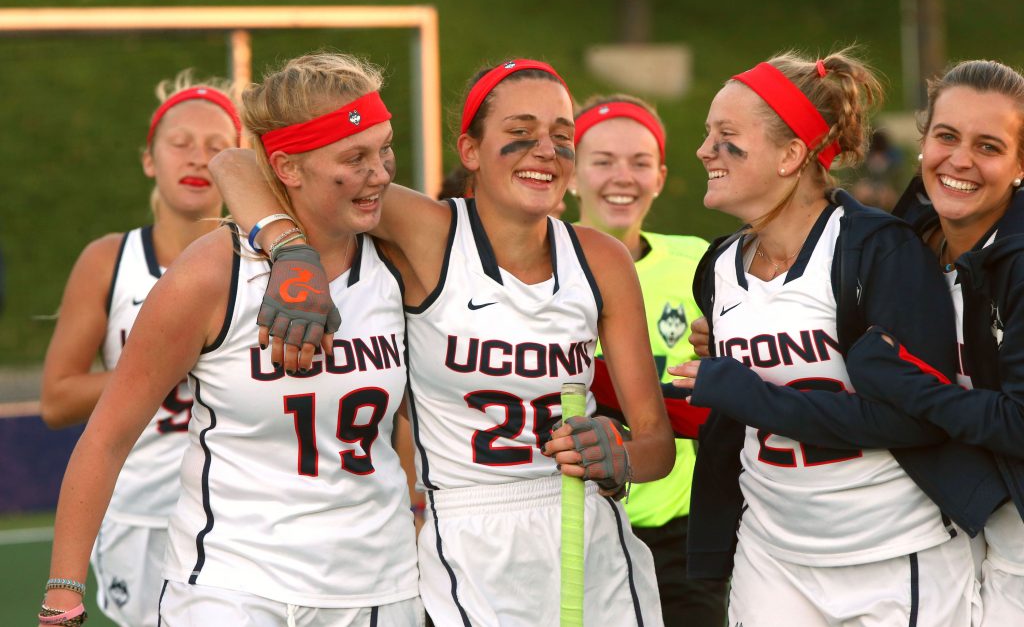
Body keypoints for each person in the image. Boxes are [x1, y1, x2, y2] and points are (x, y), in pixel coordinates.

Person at [211, 58, 674, 626]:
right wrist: (290, 249)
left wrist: (619, 456)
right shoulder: (428, 230)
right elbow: (235, 161)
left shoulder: (601, 259)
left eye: (562, 135)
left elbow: (658, 447)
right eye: (520, 134)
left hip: (585, 531)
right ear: (470, 150)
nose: (545, 150)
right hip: (465, 537)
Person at [38, 52, 421, 626]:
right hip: (231, 583)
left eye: (385, 148)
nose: (383, 172)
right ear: (290, 168)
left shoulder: (405, 257)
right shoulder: (212, 273)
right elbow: (107, 436)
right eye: (356, 156)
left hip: (376, 584)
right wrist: (63, 591)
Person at [668, 49, 998, 626]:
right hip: (773, 557)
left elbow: (919, 417)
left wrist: (752, 397)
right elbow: (725, 403)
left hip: (894, 554)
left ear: (791, 154)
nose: (703, 151)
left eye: (726, 136)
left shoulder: (878, 250)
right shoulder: (718, 266)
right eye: (707, 134)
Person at [38, 71, 240, 626]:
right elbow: (56, 399)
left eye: (217, 147)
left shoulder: (262, 261)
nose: (198, 158)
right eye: (180, 144)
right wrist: (162, 360)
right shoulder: (109, 261)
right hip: (139, 515)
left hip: (237, 513)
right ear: (150, 159)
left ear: (240, 165)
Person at [845, 59, 1024, 625]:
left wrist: (905, 384)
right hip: (954, 524)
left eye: (989, 147)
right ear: (923, 141)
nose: (961, 160)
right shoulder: (910, 239)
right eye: (946, 136)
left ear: (1021, 165)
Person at [569, 94, 726, 624]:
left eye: (639, 163)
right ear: (570, 174)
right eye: (603, 161)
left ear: (660, 177)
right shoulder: (535, 267)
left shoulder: (697, 261)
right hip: (571, 526)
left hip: (677, 537)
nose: (623, 177)